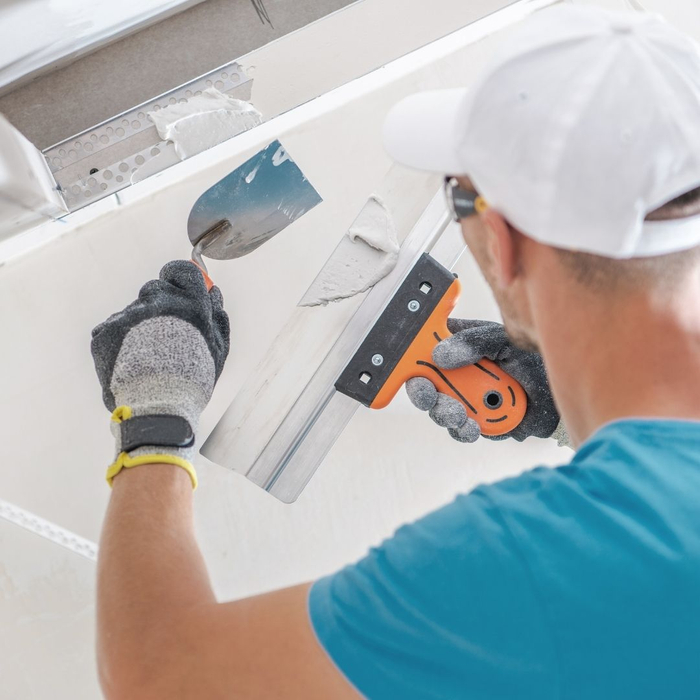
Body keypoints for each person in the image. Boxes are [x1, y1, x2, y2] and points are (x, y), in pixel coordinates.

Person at [90, 6, 700, 699]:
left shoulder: (544, 559)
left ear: (500, 243)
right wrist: (567, 411)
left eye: (458, 195)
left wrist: (155, 424)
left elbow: (163, 677)